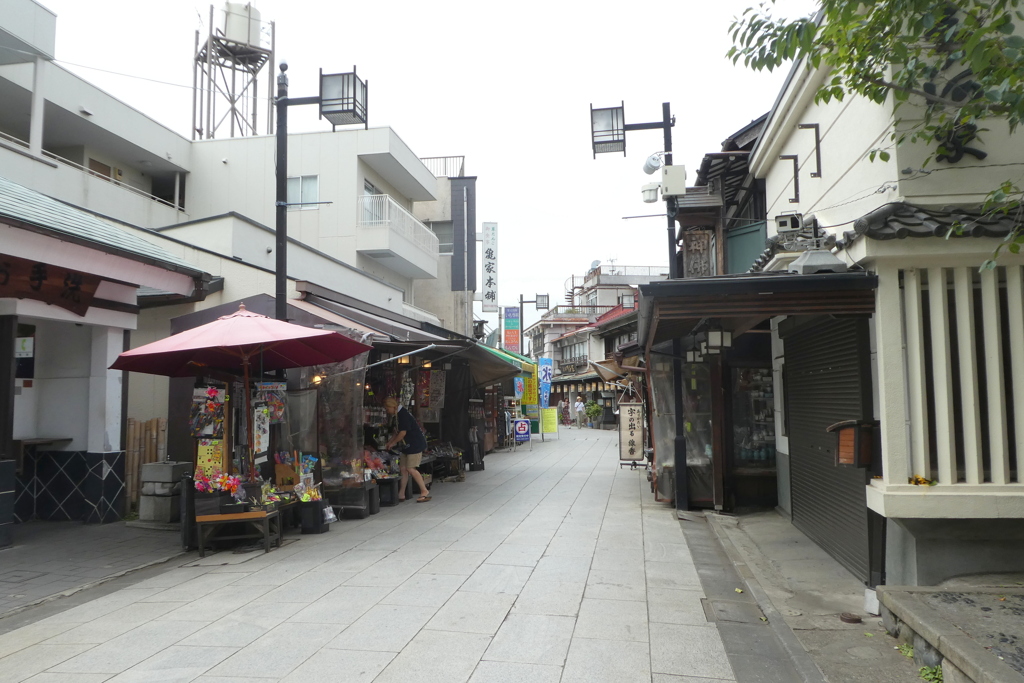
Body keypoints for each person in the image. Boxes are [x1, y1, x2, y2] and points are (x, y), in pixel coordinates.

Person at [383, 397, 431, 502]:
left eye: (388, 409)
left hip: (415, 444)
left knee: (411, 468)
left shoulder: (403, 415)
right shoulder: (397, 415)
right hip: (406, 445)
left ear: (393, 406)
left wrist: (394, 443)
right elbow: (397, 431)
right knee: (403, 469)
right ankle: (401, 493)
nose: (387, 411)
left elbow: (402, 433)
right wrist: (390, 442)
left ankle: (424, 490)